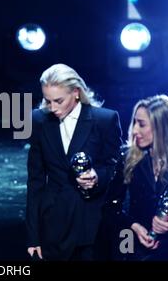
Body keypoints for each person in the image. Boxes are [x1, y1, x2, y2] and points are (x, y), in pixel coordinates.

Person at [25, 63, 122, 261]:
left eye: (58, 101)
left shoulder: (104, 120)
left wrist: (97, 176)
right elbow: (35, 182)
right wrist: (33, 237)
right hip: (53, 224)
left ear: (76, 92)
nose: (53, 108)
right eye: (48, 101)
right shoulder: (38, 121)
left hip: (92, 221)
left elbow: (116, 167)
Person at [102, 94, 168, 260]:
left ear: (161, 127)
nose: (134, 130)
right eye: (135, 122)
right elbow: (110, 206)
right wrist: (133, 226)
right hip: (132, 249)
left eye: (141, 124)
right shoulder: (128, 158)